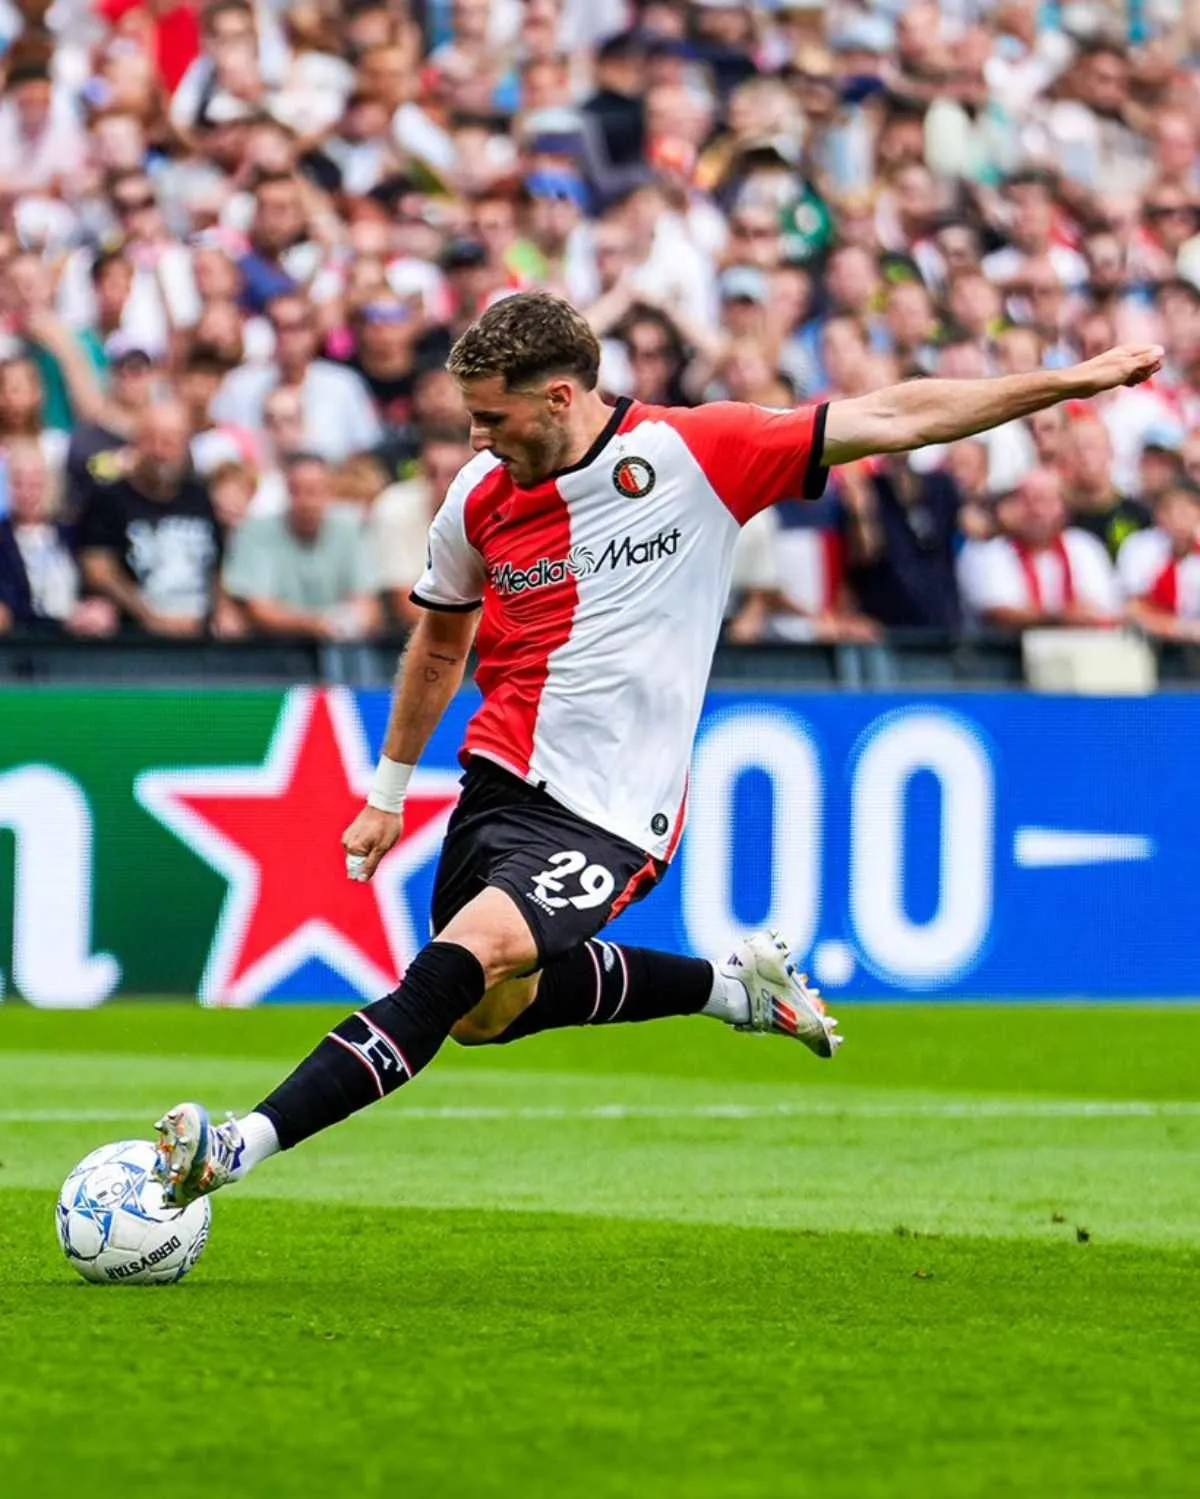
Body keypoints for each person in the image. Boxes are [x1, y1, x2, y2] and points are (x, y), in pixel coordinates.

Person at [149, 290, 1162, 1205]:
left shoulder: (697, 451)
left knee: (467, 955)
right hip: (500, 778)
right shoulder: (477, 497)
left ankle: (237, 1146)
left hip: (613, 807)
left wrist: (1065, 382)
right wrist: (387, 789)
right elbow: (441, 643)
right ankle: (733, 989)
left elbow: (896, 416)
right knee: (484, 1013)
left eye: (491, 416)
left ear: (558, 396)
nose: (474, 437)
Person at [75, 397, 225, 636]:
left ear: (186, 444)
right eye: (150, 439)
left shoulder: (201, 498)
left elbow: (219, 566)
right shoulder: (109, 499)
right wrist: (148, 616)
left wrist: (219, 612)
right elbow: (97, 569)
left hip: (201, 635)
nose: (160, 451)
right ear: (135, 444)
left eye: (170, 441)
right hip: (136, 638)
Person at [222, 451, 381, 640]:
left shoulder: (350, 527)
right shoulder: (254, 531)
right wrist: (317, 624)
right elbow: (258, 609)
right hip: (274, 645)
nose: (306, 502)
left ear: (329, 491)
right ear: (286, 492)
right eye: (297, 491)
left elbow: (367, 604)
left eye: (314, 491)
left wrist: (349, 623)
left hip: (341, 644)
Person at [957, 466, 1121, 633]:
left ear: (1064, 507)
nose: (1036, 511)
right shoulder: (987, 550)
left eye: (1046, 501)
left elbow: (1102, 609)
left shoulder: (1083, 546)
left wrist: (1073, 616)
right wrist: (1064, 617)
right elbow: (1000, 615)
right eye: (1027, 500)